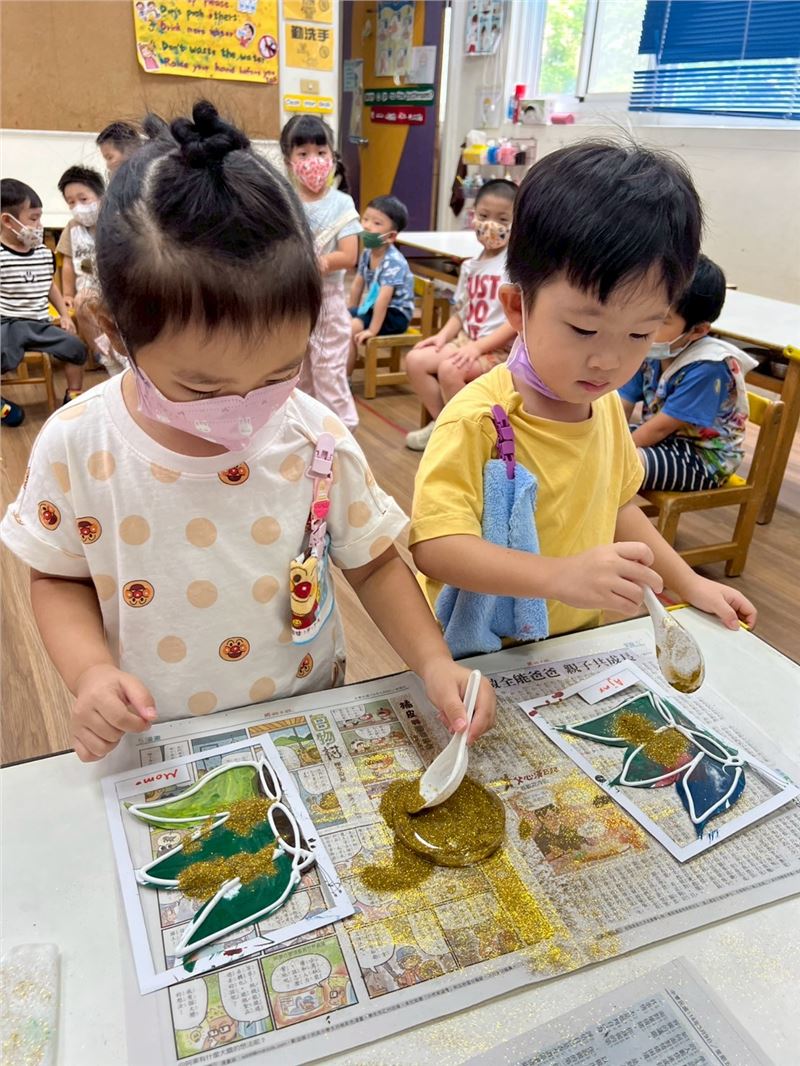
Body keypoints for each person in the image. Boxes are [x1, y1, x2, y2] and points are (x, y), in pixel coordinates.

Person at [0, 101, 494, 763]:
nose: (243, 410)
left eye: (279, 373)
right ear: (117, 333)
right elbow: (58, 578)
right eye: (202, 388)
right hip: (159, 731)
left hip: (304, 717)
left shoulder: (316, 438)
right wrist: (90, 673)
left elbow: (374, 564)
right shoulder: (77, 446)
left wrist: (434, 662)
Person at [409, 142, 756, 660]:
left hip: (571, 643)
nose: (608, 362)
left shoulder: (606, 407)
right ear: (517, 307)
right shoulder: (479, 418)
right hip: (479, 653)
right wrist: (558, 576)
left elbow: (617, 506)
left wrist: (689, 583)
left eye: (640, 334)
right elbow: (435, 547)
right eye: (583, 329)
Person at [619, 254, 755, 491]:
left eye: (662, 320)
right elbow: (622, 403)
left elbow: (661, 427)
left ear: (698, 330)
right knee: (593, 444)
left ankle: (612, 514)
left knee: (620, 465)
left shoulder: (709, 366)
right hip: (663, 441)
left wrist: (617, 453)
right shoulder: (651, 350)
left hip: (703, 459)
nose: (645, 325)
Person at [404, 179, 517, 451]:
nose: (491, 225)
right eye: (484, 216)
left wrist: (478, 347)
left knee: (449, 369)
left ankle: (471, 441)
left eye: (502, 219)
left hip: (498, 351)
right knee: (415, 360)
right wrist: (442, 337)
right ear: (473, 216)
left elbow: (517, 323)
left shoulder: (513, 267)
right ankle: (444, 425)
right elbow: (461, 312)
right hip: (466, 342)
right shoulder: (469, 266)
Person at [280, 115, 360, 430]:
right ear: (288, 160)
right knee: (297, 375)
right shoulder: (284, 200)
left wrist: (314, 264)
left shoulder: (341, 203)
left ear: (332, 156)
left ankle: (342, 437)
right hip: (294, 302)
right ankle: (309, 436)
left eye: (321, 152)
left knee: (329, 375)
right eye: (303, 153)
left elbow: (349, 255)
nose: (313, 160)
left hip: (328, 302)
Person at [1, 178, 87, 411]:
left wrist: (64, 316)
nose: (39, 225)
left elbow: (49, 286)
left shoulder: (42, 252)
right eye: (33, 219)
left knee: (75, 347)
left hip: (40, 323)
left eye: (40, 218)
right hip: (7, 323)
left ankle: (73, 396)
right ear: (7, 221)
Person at [348, 195, 414, 372]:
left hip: (395, 315)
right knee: (340, 320)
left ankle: (345, 379)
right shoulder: (367, 254)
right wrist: (351, 311)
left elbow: (383, 300)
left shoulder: (393, 261)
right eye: (365, 219)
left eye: (377, 223)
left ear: (391, 236)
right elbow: (357, 285)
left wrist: (372, 330)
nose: (367, 226)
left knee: (351, 328)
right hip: (374, 310)